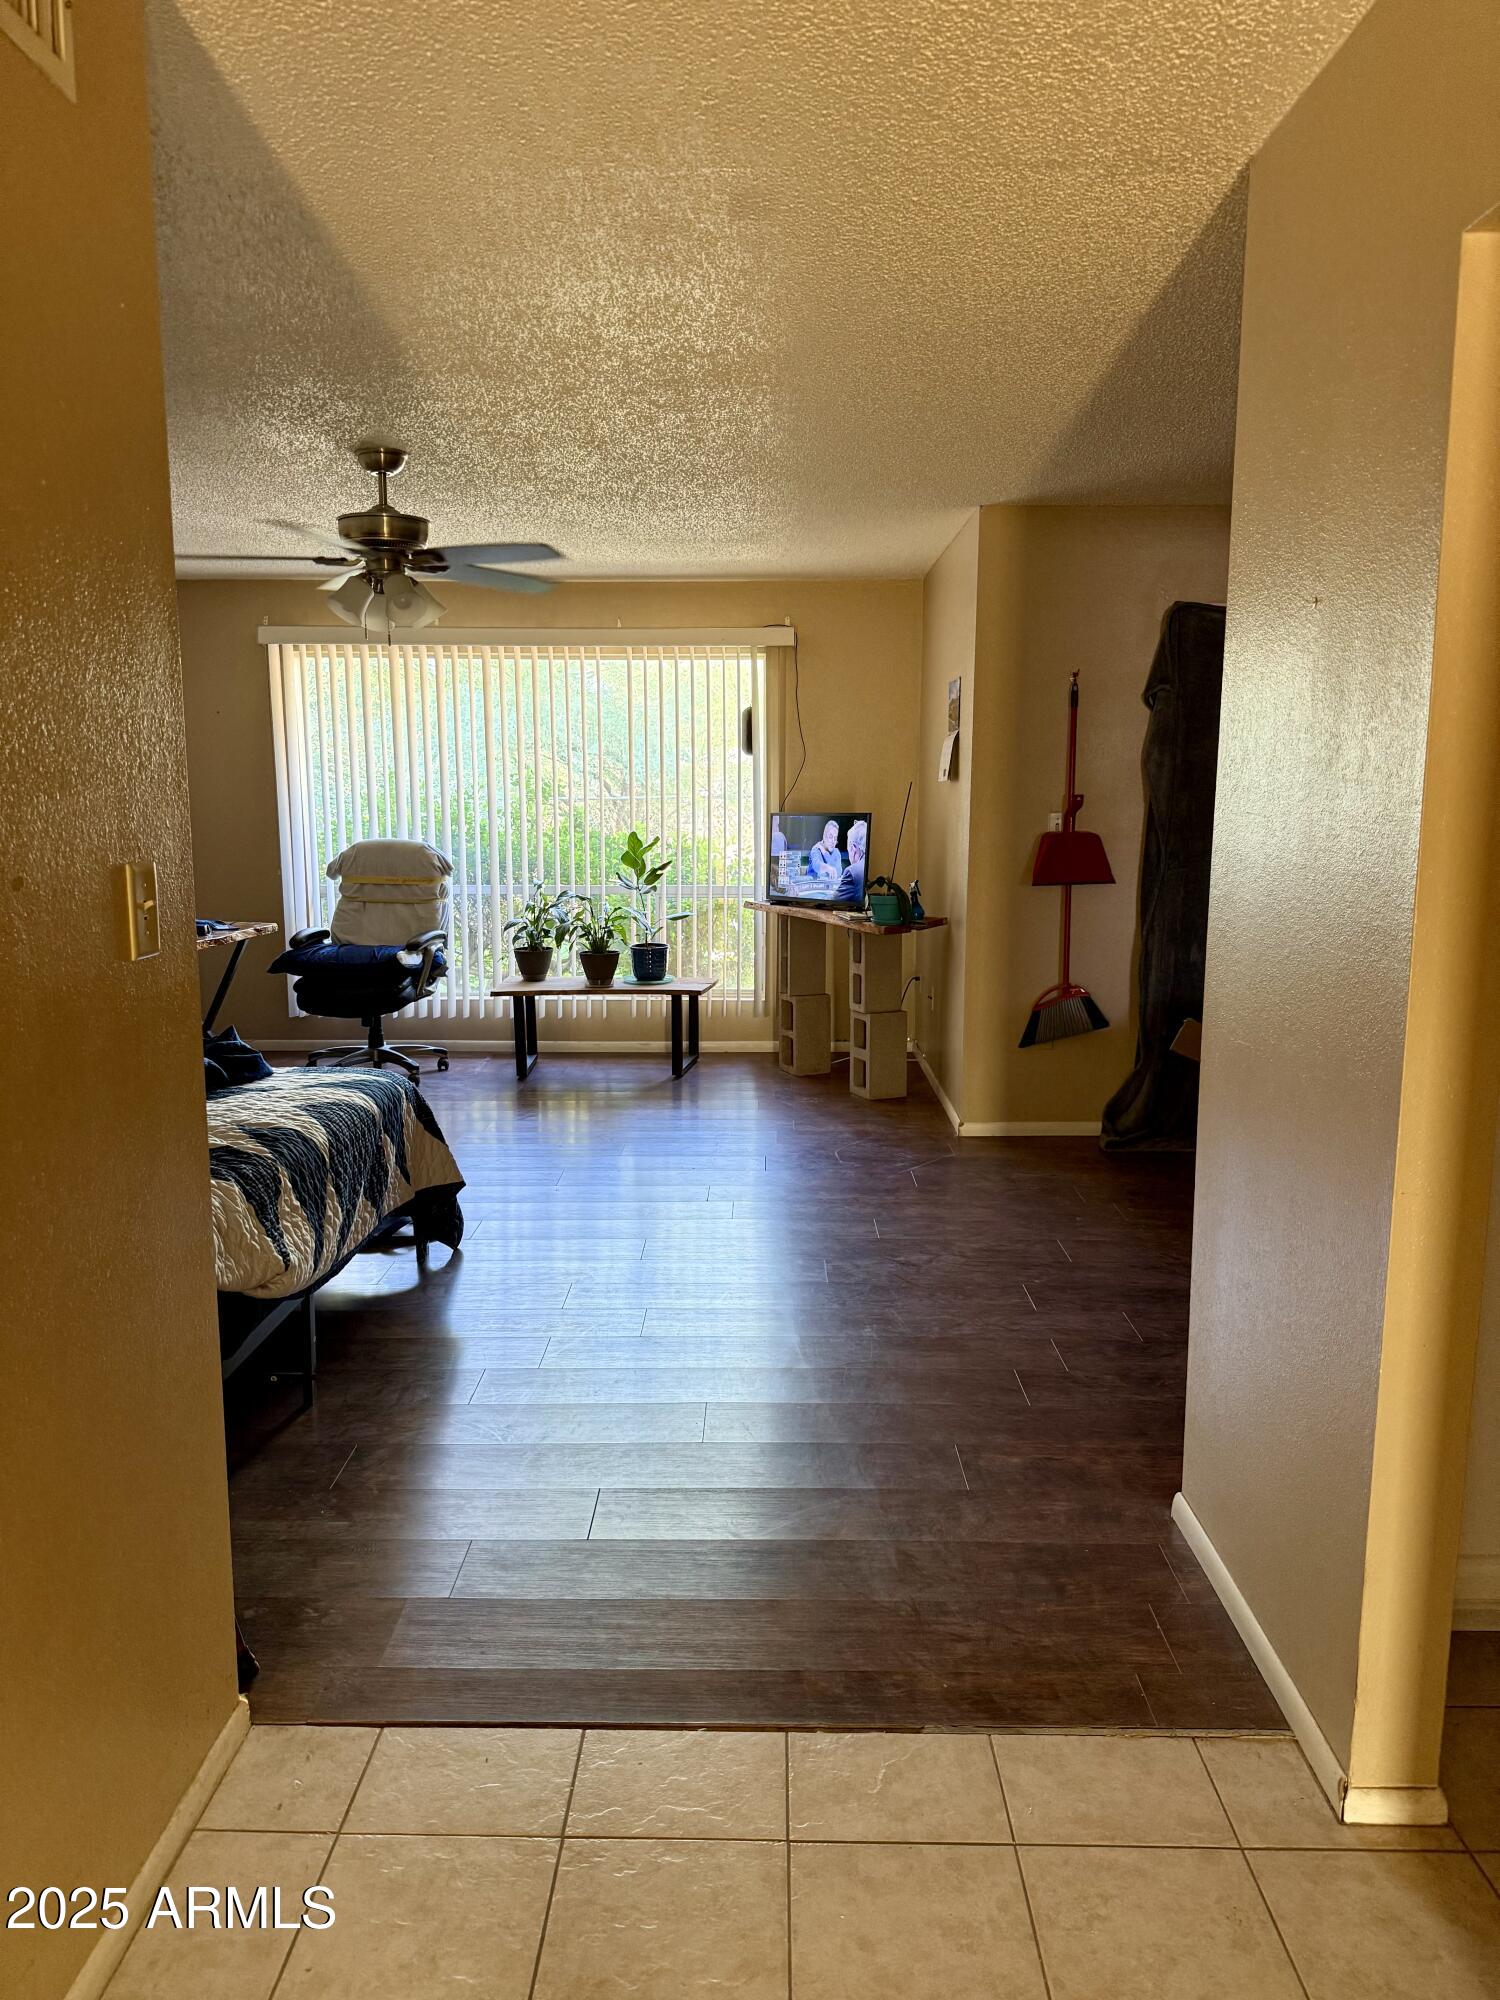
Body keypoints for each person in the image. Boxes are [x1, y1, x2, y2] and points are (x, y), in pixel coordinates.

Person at [835, 820, 868, 904]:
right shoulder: (871, 864)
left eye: (848, 849)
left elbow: (833, 901)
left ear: (853, 847)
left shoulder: (851, 871)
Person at [807, 819, 844, 883]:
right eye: (830, 837)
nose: (833, 841)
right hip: (814, 887)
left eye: (835, 838)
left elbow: (838, 872)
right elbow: (817, 866)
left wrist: (825, 853)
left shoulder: (836, 852)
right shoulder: (816, 849)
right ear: (824, 836)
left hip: (830, 888)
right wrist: (828, 868)